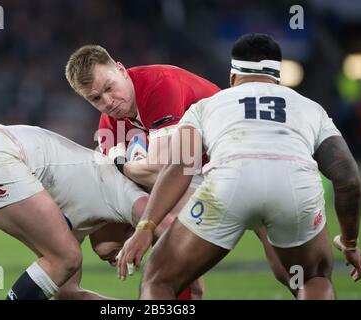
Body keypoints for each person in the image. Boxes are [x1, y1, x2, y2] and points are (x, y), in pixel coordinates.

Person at [116, 33, 361, 300]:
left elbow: (178, 168)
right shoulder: (310, 108)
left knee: (159, 280)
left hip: (229, 187)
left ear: (232, 77)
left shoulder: (206, 107)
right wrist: (349, 242)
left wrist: (146, 227)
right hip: (293, 188)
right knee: (312, 277)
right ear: (277, 79)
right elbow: (348, 178)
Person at [65, 45, 294, 297]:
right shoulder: (109, 121)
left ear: (121, 70)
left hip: (244, 161)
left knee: (282, 261)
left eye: (109, 87)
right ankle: (188, 283)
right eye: (95, 98)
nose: (108, 102)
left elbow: (165, 169)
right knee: (110, 241)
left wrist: (124, 164)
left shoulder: (159, 85)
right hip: (204, 170)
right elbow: (111, 178)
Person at [0, 124, 176, 300]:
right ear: (129, 226)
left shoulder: (69, 232)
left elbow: (70, 296)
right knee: (65, 256)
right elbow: (176, 234)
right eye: (126, 251)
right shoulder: (124, 190)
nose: (126, 258)